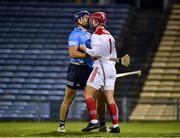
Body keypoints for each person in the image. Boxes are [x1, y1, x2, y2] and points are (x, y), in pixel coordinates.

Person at [57, 11, 107, 132]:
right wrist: (89, 55)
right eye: (86, 18)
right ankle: (61, 125)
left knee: (99, 96)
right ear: (79, 20)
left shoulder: (90, 35)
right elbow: (72, 53)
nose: (89, 20)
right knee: (69, 97)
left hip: (89, 69)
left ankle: (102, 124)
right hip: (76, 69)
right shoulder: (74, 35)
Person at [80, 12, 121, 133]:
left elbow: (96, 52)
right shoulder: (110, 35)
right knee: (110, 99)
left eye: (93, 20)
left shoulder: (96, 35)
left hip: (100, 68)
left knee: (87, 94)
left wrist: (85, 49)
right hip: (111, 68)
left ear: (96, 21)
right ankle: (116, 126)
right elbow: (114, 56)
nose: (91, 22)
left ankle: (94, 122)